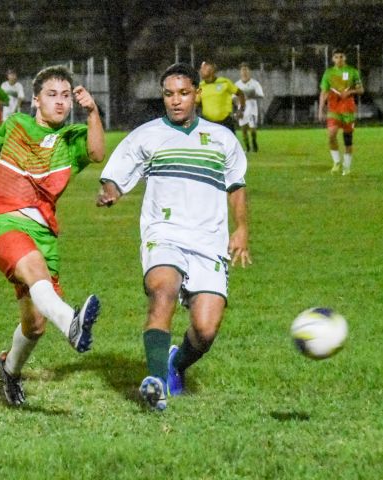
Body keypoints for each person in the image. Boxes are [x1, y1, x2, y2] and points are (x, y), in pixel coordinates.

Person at [0, 66, 105, 406]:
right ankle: (71, 323)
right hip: (3, 217)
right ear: (36, 100)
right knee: (33, 270)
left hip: (43, 231)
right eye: (52, 94)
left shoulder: (70, 141)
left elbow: (98, 153)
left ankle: (9, 371)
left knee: (35, 325)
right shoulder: (16, 125)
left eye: (66, 95)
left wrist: (93, 112)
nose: (60, 101)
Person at [96, 63, 251, 411]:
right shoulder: (146, 135)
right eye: (169, 94)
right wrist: (110, 192)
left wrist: (241, 229)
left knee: (205, 330)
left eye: (183, 93)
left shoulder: (223, 138)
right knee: (162, 290)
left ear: (196, 93)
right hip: (163, 233)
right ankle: (156, 385)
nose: (176, 101)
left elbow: (237, 186)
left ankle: (174, 365)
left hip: (209, 241)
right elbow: (115, 175)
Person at [317, 48, 364, 175]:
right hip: (334, 109)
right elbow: (324, 92)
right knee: (331, 135)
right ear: (333, 59)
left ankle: (347, 167)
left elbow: (361, 90)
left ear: (345, 58)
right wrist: (320, 110)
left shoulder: (352, 71)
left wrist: (350, 92)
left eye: (341, 56)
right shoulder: (328, 73)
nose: (339, 59)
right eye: (336, 57)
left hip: (348, 110)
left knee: (347, 140)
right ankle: (337, 162)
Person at [197, 60, 245, 134]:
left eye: (203, 68)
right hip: (206, 123)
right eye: (201, 68)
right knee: (204, 143)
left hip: (225, 123)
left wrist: (241, 110)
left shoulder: (225, 82)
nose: (200, 71)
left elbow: (240, 94)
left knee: (229, 145)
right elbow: (195, 103)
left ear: (211, 70)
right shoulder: (200, 87)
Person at [235, 63, 264, 152]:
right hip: (242, 109)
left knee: (252, 129)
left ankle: (254, 142)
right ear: (240, 72)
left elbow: (261, 95)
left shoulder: (255, 84)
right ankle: (247, 147)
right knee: (243, 130)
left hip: (252, 110)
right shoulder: (237, 84)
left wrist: (252, 95)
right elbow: (233, 98)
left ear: (249, 72)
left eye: (246, 70)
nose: (244, 72)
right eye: (243, 70)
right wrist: (238, 107)